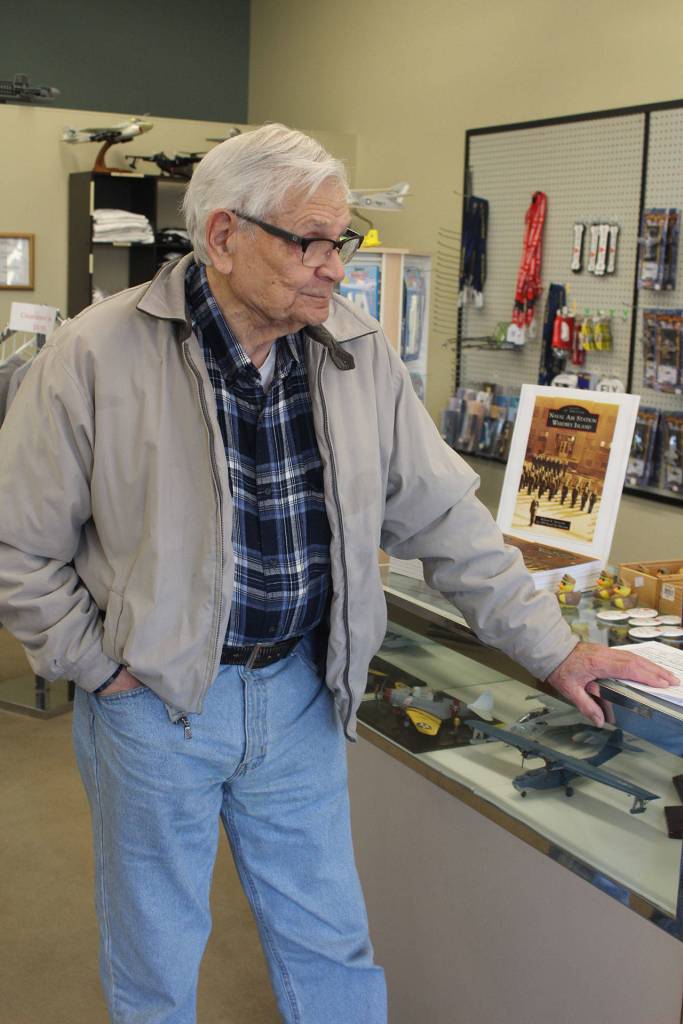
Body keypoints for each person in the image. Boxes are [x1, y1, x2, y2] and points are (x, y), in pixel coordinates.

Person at [0, 124, 675, 1024]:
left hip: (298, 696)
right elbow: (17, 543)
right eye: (308, 241)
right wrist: (96, 665)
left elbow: (444, 517)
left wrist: (553, 649)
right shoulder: (93, 354)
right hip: (154, 706)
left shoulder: (354, 350)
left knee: (329, 946)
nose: (333, 265)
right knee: (155, 953)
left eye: (340, 239)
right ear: (223, 236)